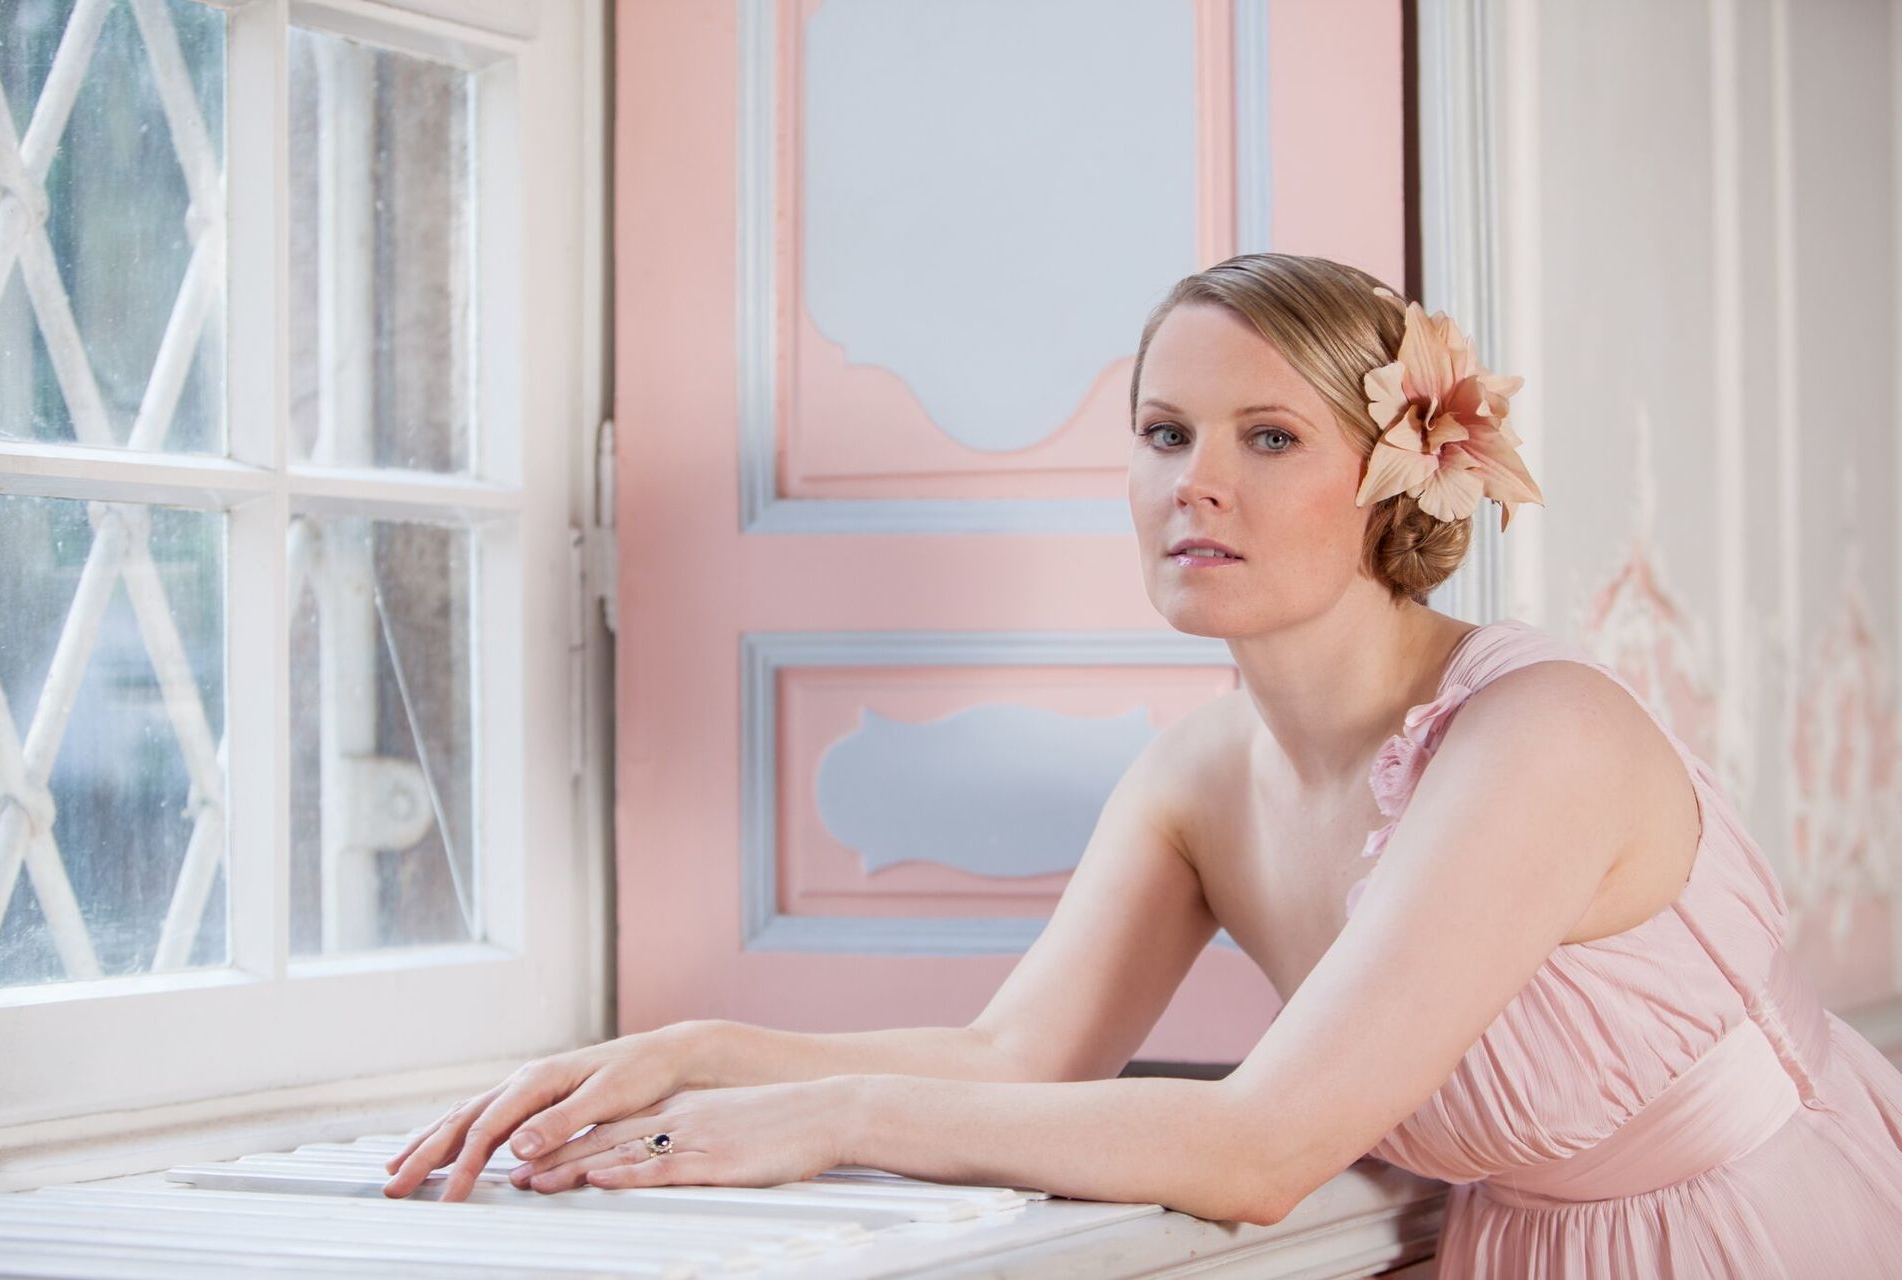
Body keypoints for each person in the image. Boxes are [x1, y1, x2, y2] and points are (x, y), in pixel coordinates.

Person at [380, 253, 1902, 1274]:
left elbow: (1259, 1150)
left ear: (1390, 478)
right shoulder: (1194, 783)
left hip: (1762, 1234)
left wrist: (828, 1118)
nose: (1199, 488)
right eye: (1166, 435)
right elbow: (1010, 1057)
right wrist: (697, 1050)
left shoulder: (1535, 738)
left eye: (1270, 439)